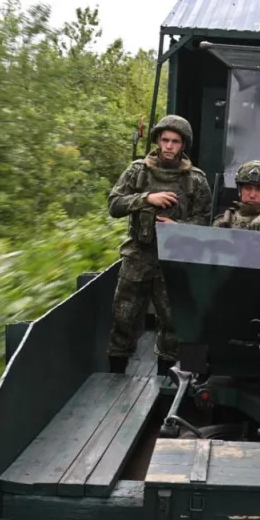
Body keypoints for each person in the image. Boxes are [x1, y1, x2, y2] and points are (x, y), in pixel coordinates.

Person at [106, 114, 212, 376]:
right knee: (123, 318)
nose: (168, 146)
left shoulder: (195, 180)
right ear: (157, 140)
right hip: (138, 256)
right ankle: (115, 377)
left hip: (174, 260)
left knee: (173, 324)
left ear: (183, 145)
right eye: (164, 140)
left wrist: (181, 229)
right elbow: (114, 205)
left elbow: (206, 221)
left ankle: (165, 378)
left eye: (175, 141)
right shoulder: (138, 171)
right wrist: (147, 198)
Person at [212, 160, 260, 231]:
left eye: (259, 189)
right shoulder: (224, 220)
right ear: (240, 190)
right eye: (248, 188)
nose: (252, 195)